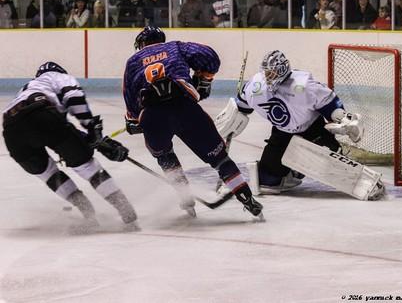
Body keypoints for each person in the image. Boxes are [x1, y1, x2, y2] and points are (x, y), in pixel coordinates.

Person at [122, 26, 263, 218]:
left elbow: (129, 97)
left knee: (164, 155)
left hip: (153, 116)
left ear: (142, 43)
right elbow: (209, 56)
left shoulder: (133, 62)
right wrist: (203, 79)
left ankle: (185, 197)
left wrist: (133, 120)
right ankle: (247, 198)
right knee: (219, 158)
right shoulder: (175, 47)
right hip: (185, 108)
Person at [214, 50, 385, 201]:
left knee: (329, 160)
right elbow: (242, 107)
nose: (268, 77)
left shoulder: (303, 84)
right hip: (282, 134)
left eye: (272, 74)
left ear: (282, 71)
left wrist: (344, 120)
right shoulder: (255, 86)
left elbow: (331, 105)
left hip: (312, 130)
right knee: (267, 181)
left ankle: (361, 177)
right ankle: (293, 172)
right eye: (266, 73)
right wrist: (232, 119)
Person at [2, 62, 138, 231]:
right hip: (43, 117)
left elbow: (57, 127)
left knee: (49, 174)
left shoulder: (26, 89)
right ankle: (126, 211)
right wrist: (92, 129)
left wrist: (86, 139)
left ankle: (88, 214)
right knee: (86, 166)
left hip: (11, 133)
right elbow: (73, 98)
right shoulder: (58, 76)